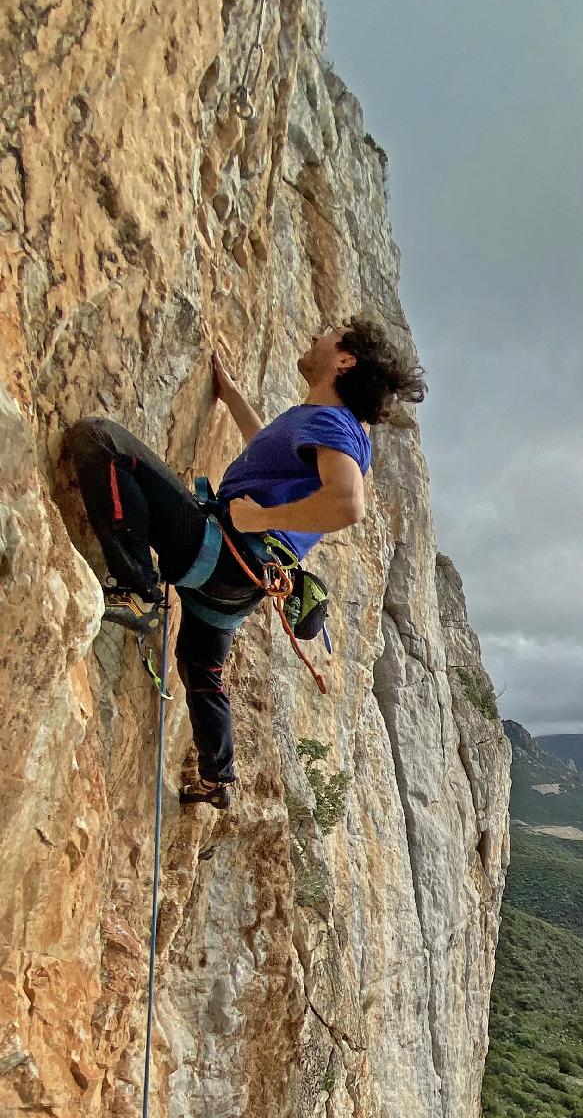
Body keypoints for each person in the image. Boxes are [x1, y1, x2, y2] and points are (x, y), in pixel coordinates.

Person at [63, 318, 426, 807]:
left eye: (330, 332)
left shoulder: (333, 423)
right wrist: (233, 397)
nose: (316, 333)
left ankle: (136, 587)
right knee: (200, 669)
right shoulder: (318, 421)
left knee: (101, 441)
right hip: (238, 583)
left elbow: (348, 505)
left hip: (223, 552)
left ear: (345, 360)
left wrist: (260, 519)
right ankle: (217, 778)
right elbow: (267, 455)